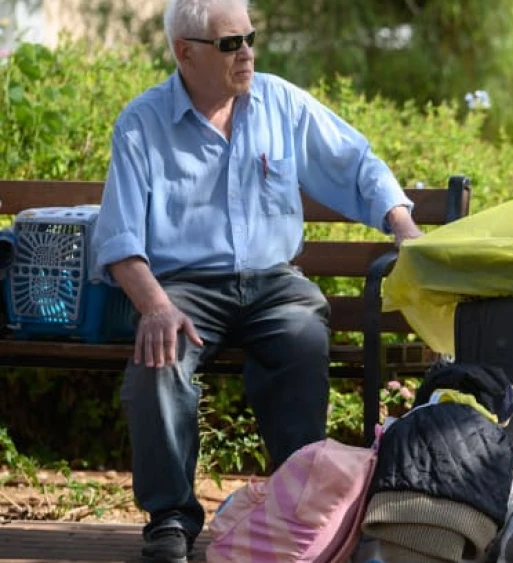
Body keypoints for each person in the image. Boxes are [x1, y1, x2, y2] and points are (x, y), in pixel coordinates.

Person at [90, 0, 423, 560]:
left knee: (301, 337)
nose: (246, 52)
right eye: (230, 44)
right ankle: (169, 519)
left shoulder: (280, 102)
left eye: (250, 38)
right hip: (185, 287)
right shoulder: (142, 124)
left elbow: (356, 163)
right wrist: (155, 307)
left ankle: (295, 509)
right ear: (185, 53)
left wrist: (403, 227)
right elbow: (120, 240)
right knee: (159, 359)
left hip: (274, 284)